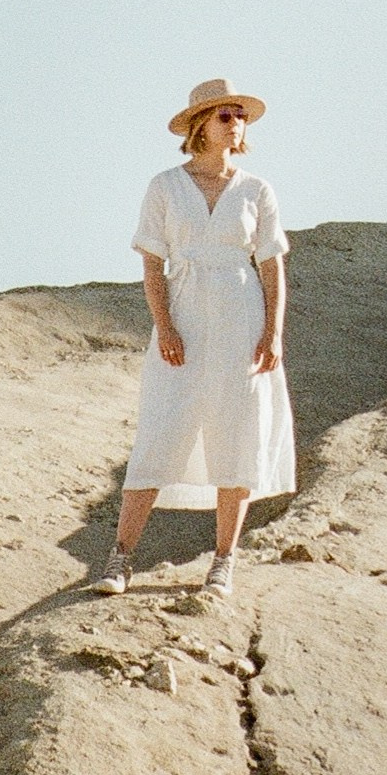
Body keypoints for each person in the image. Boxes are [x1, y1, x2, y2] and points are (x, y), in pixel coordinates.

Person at [95, 78, 293, 600]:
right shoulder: (164, 186)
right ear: (200, 125)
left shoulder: (257, 190)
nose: (235, 123)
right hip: (184, 312)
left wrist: (272, 332)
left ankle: (224, 561)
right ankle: (121, 558)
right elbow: (152, 266)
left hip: (242, 315)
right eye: (225, 115)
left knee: (238, 431)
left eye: (240, 115)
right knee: (162, 429)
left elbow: (272, 266)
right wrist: (164, 325)